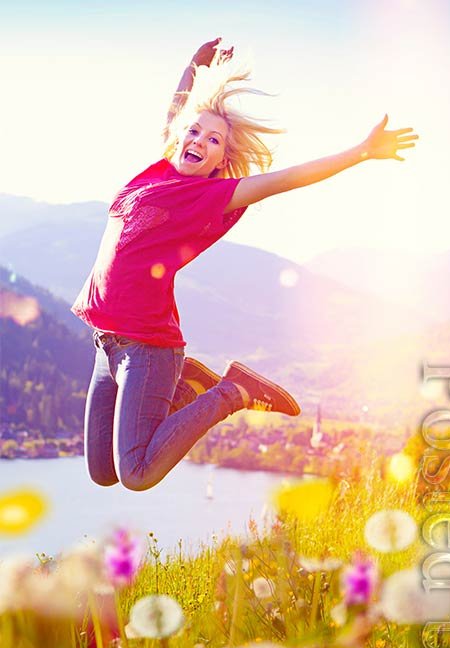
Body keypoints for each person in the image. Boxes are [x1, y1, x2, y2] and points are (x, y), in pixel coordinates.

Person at [72, 37, 418, 491]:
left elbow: (286, 180)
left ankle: (232, 391)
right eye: (194, 132)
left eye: (213, 140)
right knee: (102, 473)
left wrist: (360, 152)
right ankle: (187, 385)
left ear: (221, 160)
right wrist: (196, 62)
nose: (199, 140)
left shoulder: (206, 196)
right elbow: (180, 109)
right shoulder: (158, 171)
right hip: (107, 345)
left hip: (147, 349)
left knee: (136, 474)